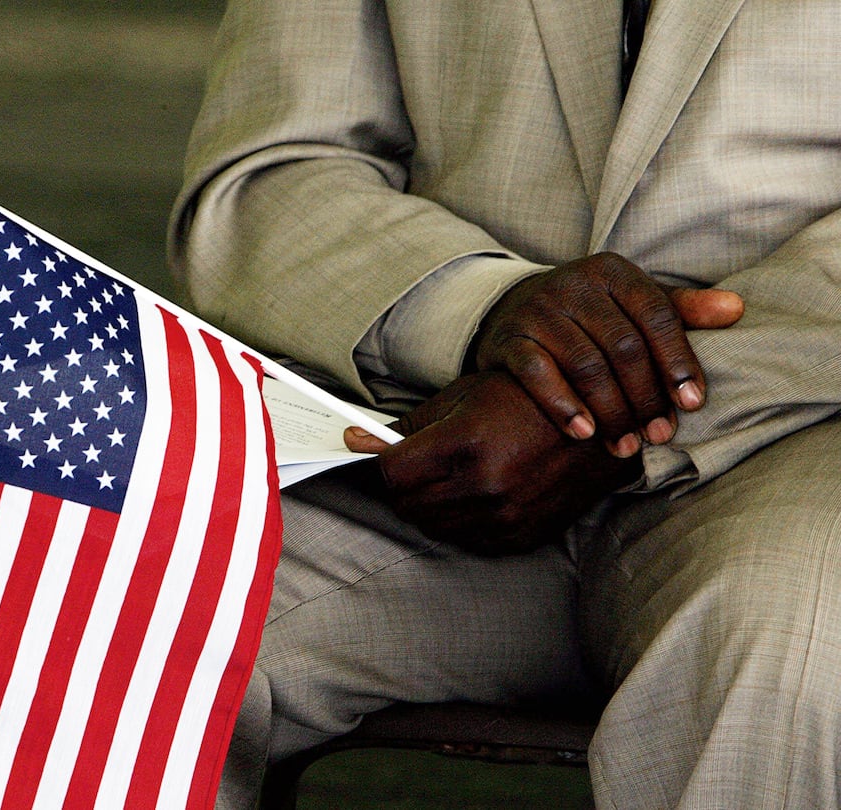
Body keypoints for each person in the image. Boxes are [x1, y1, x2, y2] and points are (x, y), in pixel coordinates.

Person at [168, 0, 841, 807]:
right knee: (111, 606)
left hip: (798, 431)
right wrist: (485, 307)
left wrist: (597, 390)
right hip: (436, 423)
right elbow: (271, 170)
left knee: (781, 654)